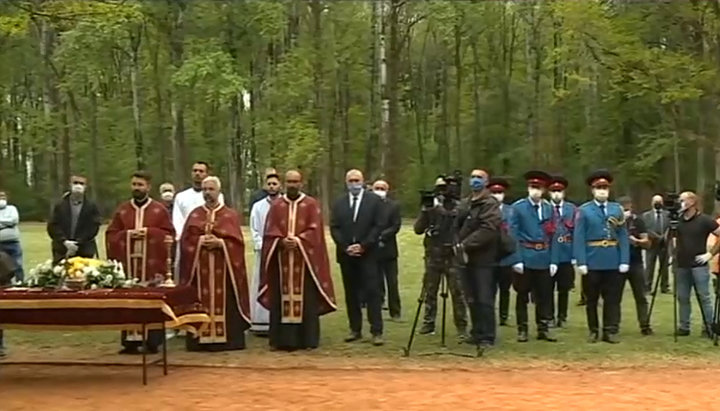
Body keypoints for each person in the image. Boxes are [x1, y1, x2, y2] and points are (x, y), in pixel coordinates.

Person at [258, 170, 337, 350]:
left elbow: (315, 232)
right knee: (281, 299)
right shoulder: (277, 205)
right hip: (281, 263)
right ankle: (282, 341)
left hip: (305, 263)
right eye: (289, 182)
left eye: (295, 182)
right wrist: (281, 240)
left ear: (301, 183)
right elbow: (270, 232)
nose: (292, 185)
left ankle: (307, 340)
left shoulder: (311, 205)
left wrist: (299, 240)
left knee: (306, 301)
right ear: (285, 183)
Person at [106, 171, 176, 354]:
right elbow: (111, 235)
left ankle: (153, 341)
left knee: (151, 299)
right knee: (128, 299)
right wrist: (128, 235)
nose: (137, 188)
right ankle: (130, 341)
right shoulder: (122, 210)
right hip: (129, 266)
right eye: (134, 184)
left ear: (148, 187)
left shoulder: (159, 210)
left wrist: (149, 233)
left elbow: (169, 235)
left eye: (140, 185)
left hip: (151, 266)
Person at [179, 176, 250, 351]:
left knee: (226, 301)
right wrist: (199, 242)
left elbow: (238, 243)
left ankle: (228, 341)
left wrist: (221, 243)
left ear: (218, 191)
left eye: (211, 189)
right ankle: (199, 340)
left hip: (224, 270)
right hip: (200, 270)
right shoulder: (195, 214)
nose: (207, 193)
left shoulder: (229, 214)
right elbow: (186, 242)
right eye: (204, 189)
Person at [573, 169, 629, 344]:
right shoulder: (584, 210)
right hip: (592, 259)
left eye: (605, 187)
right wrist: (581, 261)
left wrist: (624, 260)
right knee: (592, 299)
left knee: (612, 299)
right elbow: (579, 236)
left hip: (612, 258)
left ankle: (610, 330)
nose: (602, 191)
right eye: (599, 188)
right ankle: (593, 330)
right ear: (593, 190)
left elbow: (623, 236)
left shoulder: (616, 209)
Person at [330, 169, 385, 346]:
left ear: (363, 181)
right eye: (351, 181)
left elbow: (378, 226)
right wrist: (346, 247)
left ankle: (376, 331)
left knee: (372, 292)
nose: (354, 184)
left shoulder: (374, 201)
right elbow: (334, 227)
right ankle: (355, 329)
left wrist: (363, 245)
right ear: (346, 183)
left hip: (368, 254)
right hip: (347, 256)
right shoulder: (339, 203)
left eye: (357, 180)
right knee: (351, 293)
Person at [414, 176, 468, 340]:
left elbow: (463, 226)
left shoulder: (461, 208)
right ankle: (428, 322)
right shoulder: (432, 207)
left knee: (457, 292)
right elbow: (418, 229)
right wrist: (426, 210)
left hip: (452, 255)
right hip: (433, 255)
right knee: (430, 290)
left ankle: (462, 326)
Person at [455, 169, 502, 347]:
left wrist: (466, 244)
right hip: (465, 258)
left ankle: (487, 335)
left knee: (484, 297)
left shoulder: (490, 203)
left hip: (484, 258)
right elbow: (455, 224)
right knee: (471, 297)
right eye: (473, 177)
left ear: (486, 181)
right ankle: (476, 332)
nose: (475, 180)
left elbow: (488, 229)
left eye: (479, 178)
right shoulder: (465, 203)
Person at [510, 170, 557, 343]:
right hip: (526, 254)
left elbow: (554, 235)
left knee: (544, 295)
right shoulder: (518, 207)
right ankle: (522, 329)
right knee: (522, 295)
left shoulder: (548, 208)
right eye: (532, 187)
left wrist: (554, 260)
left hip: (544, 256)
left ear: (544, 190)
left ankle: (543, 328)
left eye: (538, 187)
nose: (535, 190)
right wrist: (517, 259)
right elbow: (513, 234)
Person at [675, 191, 720, 337]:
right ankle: (684, 326)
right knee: (682, 297)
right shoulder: (678, 221)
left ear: (692, 202)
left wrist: (710, 254)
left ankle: (708, 327)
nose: (680, 203)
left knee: (704, 297)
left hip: (699, 265)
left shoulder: (704, 220)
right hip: (681, 265)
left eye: (683, 200)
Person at [249, 172, 282, 335]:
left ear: (280, 185)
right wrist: (262, 246)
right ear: (265, 186)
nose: (271, 186)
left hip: (281, 251)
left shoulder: (285, 204)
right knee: (261, 282)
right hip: (263, 251)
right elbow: (254, 229)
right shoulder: (258, 206)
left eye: (274, 184)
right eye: (269, 184)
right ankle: (261, 322)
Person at [617, 196, 653, 335]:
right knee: (615, 297)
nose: (626, 210)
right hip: (618, 263)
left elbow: (647, 243)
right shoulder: (614, 221)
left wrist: (636, 241)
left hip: (635, 263)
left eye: (628, 208)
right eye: (623, 208)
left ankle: (645, 325)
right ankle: (614, 325)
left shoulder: (638, 221)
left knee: (641, 296)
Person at [47, 175, 101, 264]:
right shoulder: (60, 205)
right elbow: (53, 225)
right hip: (62, 250)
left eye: (81, 183)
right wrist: (64, 241)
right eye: (75, 183)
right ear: (70, 185)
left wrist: (79, 242)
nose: (78, 186)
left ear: (86, 187)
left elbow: (93, 227)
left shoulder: (91, 207)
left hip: (84, 251)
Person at [547, 175, 577, 328]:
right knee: (548, 288)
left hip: (566, 252)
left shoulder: (572, 209)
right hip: (549, 253)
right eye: (554, 191)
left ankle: (562, 316)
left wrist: (575, 255)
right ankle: (549, 316)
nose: (557, 194)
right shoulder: (545, 208)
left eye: (559, 191)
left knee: (564, 288)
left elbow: (576, 232)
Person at [172, 162, 225, 242]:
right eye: (195, 170)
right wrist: (182, 237)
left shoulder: (218, 196)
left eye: (201, 171)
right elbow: (177, 220)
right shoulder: (181, 196)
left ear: (207, 174)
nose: (197, 173)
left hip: (210, 239)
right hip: (188, 239)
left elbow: (219, 217)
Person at [373, 179, 402, 321]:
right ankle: (376, 307)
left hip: (389, 250)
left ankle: (395, 311)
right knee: (375, 282)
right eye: (377, 188)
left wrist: (382, 236)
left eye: (382, 188)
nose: (379, 190)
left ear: (387, 190)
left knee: (392, 282)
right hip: (372, 250)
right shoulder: (369, 205)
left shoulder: (393, 206)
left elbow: (396, 225)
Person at [488, 177, 515, 327]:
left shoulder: (511, 211)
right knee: (490, 288)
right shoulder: (485, 210)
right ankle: (490, 313)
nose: (497, 195)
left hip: (506, 255)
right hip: (490, 255)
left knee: (505, 288)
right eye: (494, 192)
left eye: (500, 192)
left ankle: (504, 316)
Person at [642, 195, 670, 294]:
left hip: (665, 243)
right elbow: (646, 228)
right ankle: (647, 287)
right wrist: (657, 236)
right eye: (656, 201)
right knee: (649, 266)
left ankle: (664, 287)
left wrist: (664, 236)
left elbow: (670, 227)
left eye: (659, 201)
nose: (658, 203)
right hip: (651, 244)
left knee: (664, 266)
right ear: (652, 203)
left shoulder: (668, 214)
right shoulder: (646, 215)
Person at [0, 191, 23, 283]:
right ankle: (5, 284)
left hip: (13, 242)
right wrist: (7, 223)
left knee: (18, 264)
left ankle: (20, 282)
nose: (1, 198)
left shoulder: (12, 209)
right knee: (2, 267)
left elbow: (14, 220)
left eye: (3, 196)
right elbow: (10, 222)